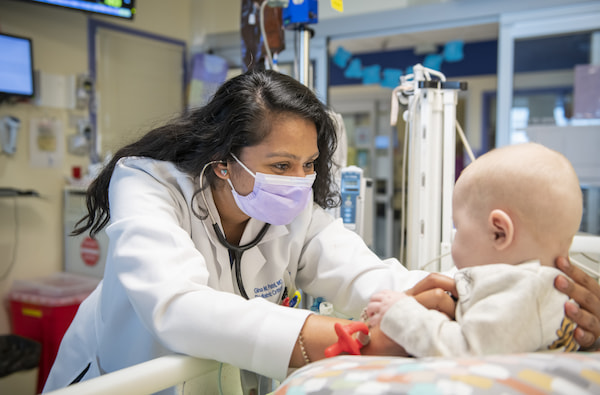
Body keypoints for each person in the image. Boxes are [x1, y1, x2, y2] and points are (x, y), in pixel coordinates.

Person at [43, 71, 599, 394]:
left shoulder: (293, 209)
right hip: (116, 378)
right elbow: (177, 304)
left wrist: (506, 300)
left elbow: (365, 273)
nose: (300, 181)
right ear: (221, 159)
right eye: (281, 165)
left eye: (310, 165)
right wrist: (346, 338)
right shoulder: (147, 184)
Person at [366, 142, 597, 357]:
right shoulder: (555, 293)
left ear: (499, 232)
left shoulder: (522, 292)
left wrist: (401, 312)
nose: (455, 241)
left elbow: (464, 351)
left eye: (459, 227)